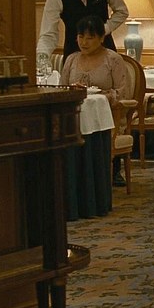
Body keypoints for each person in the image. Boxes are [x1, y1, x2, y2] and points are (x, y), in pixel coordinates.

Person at [60, 15, 129, 187]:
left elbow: (123, 93)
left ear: (101, 38)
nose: (84, 42)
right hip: (75, 116)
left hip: (106, 117)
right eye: (80, 37)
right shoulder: (71, 59)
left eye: (90, 38)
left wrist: (103, 95)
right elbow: (61, 89)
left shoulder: (113, 59)